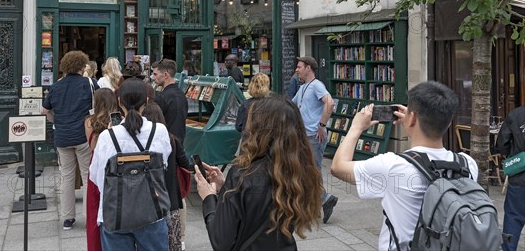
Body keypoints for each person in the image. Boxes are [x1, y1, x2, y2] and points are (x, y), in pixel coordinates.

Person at [331, 81, 478, 250]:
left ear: (413, 117)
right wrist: (413, 125)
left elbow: (338, 167)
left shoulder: (392, 166)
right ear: (449, 122)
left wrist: (356, 127)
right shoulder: (467, 164)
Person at [194, 96, 322, 250]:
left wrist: (209, 198)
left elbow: (220, 242)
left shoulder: (242, 175)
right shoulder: (301, 170)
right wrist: (225, 189)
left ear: (259, 129)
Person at [89, 78, 172, 251]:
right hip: (151, 210)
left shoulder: (107, 137)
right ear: (147, 101)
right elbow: (164, 164)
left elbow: (96, 177)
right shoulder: (160, 131)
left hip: (115, 213)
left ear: (120, 102)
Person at [42, 50, 98, 230]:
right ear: (83, 66)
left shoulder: (56, 86)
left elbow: (44, 111)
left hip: (62, 137)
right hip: (83, 136)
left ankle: (67, 218)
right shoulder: (89, 83)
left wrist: (56, 120)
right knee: (88, 176)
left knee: (66, 177)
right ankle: (90, 217)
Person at [291, 56, 337, 224]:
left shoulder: (317, 85)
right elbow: (291, 105)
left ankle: (324, 199)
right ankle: (317, 205)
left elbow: (329, 103)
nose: (297, 70)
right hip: (305, 137)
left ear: (308, 68)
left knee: (311, 171)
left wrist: (322, 125)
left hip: (313, 137)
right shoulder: (303, 88)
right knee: (305, 171)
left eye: (299, 67)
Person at [145, 102, 193, 251]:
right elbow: (185, 164)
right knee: (173, 242)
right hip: (171, 200)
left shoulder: (141, 142)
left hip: (149, 202)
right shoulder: (172, 139)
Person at [84, 88, 119, 251]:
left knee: (94, 209)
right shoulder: (119, 120)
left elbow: (91, 146)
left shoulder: (89, 121)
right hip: (115, 165)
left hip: (96, 165)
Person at [496, 105, 525, 251]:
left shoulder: (515, 115)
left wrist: (514, 156)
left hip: (520, 177)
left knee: (513, 217)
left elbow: (502, 144)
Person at [153, 58, 188, 142]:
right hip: (178, 143)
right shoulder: (182, 95)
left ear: (165, 75)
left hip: (166, 143)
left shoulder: (162, 97)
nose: (153, 77)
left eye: (155, 74)